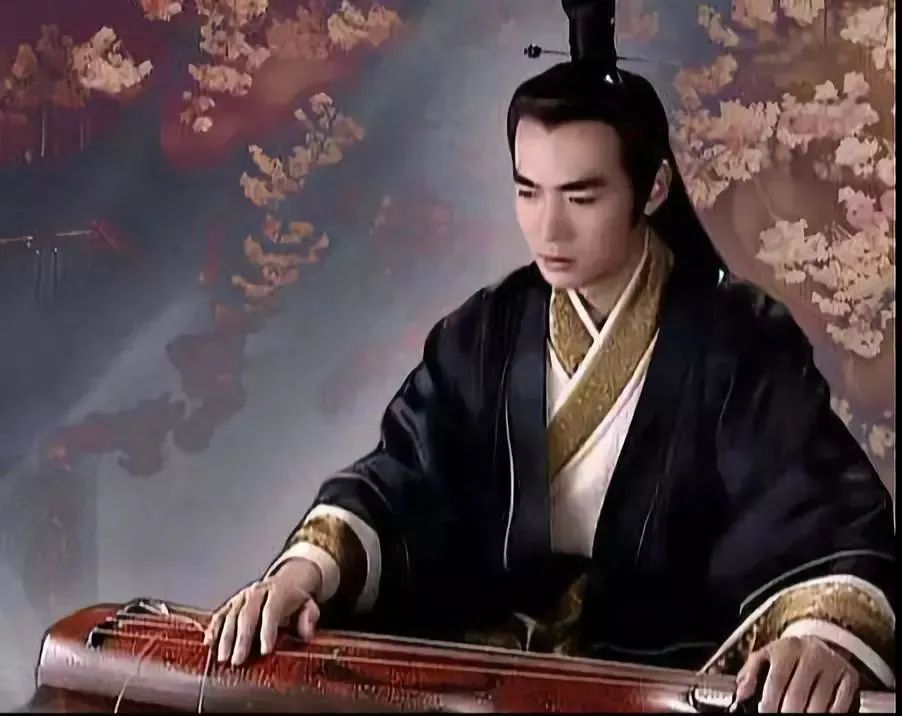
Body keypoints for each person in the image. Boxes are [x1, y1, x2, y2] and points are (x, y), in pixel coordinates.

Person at [205, 15, 895, 715]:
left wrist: (818, 638)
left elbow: (814, 506)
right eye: (528, 191)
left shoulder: (735, 341)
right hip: (485, 676)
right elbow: (405, 478)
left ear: (654, 188)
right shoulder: (486, 333)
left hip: (662, 680)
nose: (547, 228)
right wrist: (306, 570)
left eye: (581, 196)